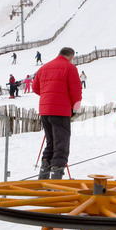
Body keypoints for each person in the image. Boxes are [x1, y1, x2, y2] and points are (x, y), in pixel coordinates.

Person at [32, 47, 82, 180]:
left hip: (45, 111)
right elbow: (75, 91)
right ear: (71, 57)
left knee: (51, 142)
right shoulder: (70, 68)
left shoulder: (44, 68)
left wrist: (48, 96)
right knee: (61, 144)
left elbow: (35, 88)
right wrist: (75, 107)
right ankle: (56, 177)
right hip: (61, 111)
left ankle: (43, 175)